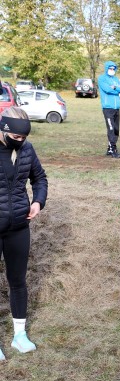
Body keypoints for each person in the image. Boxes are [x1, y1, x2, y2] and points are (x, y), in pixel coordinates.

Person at [0, 107, 48, 361]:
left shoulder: (27, 149)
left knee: (18, 281)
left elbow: (39, 177)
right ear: (4, 130)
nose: (21, 142)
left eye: (24, 138)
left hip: (19, 225)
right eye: (17, 138)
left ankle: (19, 335)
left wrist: (38, 201)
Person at [97, 61, 120, 158]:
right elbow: (107, 90)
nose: (112, 70)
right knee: (111, 128)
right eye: (110, 68)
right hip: (107, 107)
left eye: (114, 69)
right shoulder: (102, 78)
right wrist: (116, 90)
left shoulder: (116, 79)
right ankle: (113, 149)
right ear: (106, 68)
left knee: (116, 129)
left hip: (116, 107)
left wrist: (114, 88)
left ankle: (109, 148)